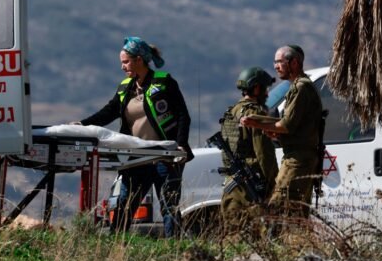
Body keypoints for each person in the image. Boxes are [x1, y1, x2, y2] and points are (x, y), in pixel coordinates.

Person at [78, 36, 193, 237]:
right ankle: (115, 247)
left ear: (139, 60)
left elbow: (183, 115)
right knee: (124, 204)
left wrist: (181, 144)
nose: (122, 67)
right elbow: (108, 112)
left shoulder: (164, 82)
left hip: (164, 157)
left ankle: (175, 248)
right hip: (137, 157)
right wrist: (82, 125)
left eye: (125, 62)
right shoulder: (125, 88)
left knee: (168, 205)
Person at [241, 45, 322, 223]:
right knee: (296, 212)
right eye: (275, 62)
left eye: (279, 62)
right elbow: (293, 127)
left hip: (298, 160)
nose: (276, 66)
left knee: (277, 208)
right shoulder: (298, 87)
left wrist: (256, 124)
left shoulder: (301, 88)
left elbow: (286, 125)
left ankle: (277, 247)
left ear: (293, 63)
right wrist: (274, 131)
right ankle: (296, 245)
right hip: (297, 156)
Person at [219, 66, 279, 238]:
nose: (267, 94)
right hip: (251, 185)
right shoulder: (255, 113)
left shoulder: (232, 112)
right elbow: (264, 153)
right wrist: (273, 181)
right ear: (257, 88)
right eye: (265, 89)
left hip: (232, 183)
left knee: (234, 238)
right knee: (256, 239)